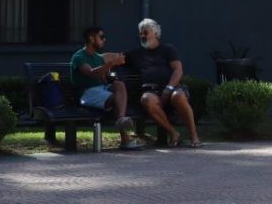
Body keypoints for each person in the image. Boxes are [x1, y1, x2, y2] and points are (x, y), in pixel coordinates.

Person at [125, 18, 202, 148]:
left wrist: (169, 87)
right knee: (146, 99)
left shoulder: (167, 49)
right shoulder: (136, 54)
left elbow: (178, 70)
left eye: (145, 32)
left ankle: (194, 136)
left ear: (155, 33)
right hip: (151, 92)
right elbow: (116, 57)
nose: (142, 36)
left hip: (172, 88)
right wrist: (96, 56)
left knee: (179, 96)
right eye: (140, 33)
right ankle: (174, 133)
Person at [70, 26, 142, 150]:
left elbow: (105, 78)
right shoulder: (79, 57)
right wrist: (112, 62)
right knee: (115, 100)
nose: (104, 40)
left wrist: (112, 76)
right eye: (101, 37)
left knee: (119, 85)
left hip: (101, 90)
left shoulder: (98, 58)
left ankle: (121, 118)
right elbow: (92, 73)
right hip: (86, 93)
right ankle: (125, 139)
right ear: (91, 38)